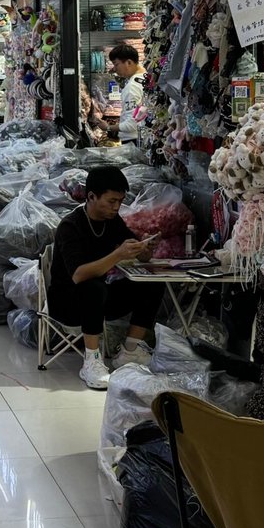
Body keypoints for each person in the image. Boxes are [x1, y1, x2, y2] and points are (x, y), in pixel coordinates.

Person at [47, 165, 161, 390]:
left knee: (151, 283)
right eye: (111, 201)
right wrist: (118, 254)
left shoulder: (113, 221)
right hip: (67, 302)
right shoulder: (70, 226)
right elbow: (79, 275)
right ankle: (92, 360)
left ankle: (130, 351)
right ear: (91, 196)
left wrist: (145, 248)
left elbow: (138, 254)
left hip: (99, 300)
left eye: (120, 201)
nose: (116, 207)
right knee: (92, 287)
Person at [110, 43, 145, 145]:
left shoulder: (132, 87)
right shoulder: (145, 77)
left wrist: (108, 127)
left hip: (132, 140)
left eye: (116, 64)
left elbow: (132, 124)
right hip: (140, 137)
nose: (115, 69)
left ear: (129, 62)